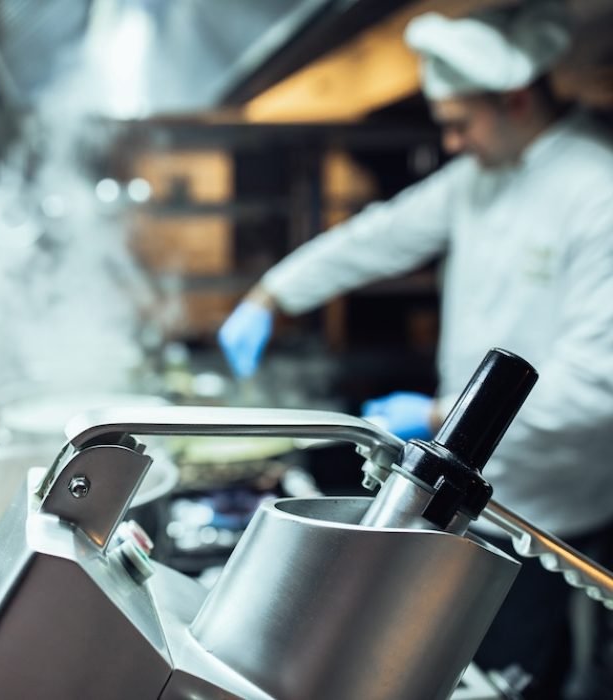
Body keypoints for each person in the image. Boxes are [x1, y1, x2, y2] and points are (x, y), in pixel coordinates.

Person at [217, 2, 613, 698]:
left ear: (517, 99)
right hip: (464, 490)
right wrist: (271, 294)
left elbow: (598, 385)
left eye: (459, 123)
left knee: (520, 673)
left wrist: (435, 415)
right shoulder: (481, 175)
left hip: (549, 508)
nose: (451, 143)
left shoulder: (596, 192)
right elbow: (380, 235)